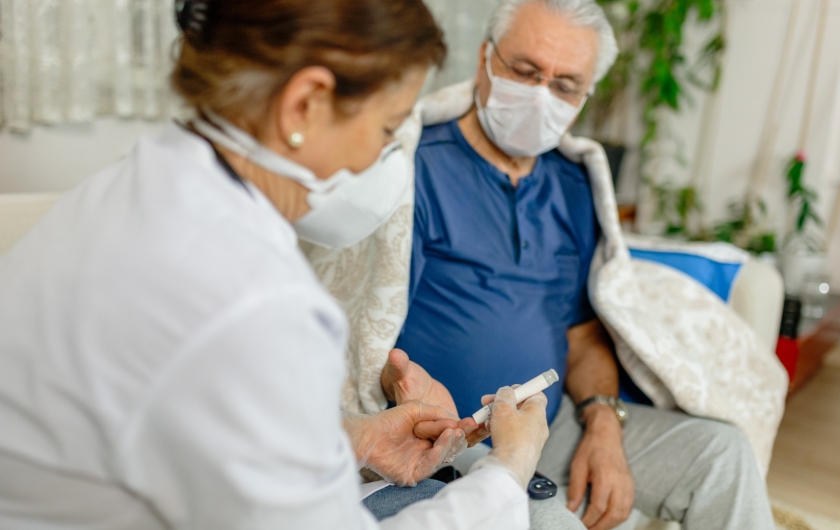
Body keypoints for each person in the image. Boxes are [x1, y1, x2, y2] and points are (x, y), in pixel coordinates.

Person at [0, 1, 549, 528]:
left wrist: (353, 439)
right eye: (387, 131)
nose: (386, 162)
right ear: (304, 103)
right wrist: (507, 472)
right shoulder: (255, 302)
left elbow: (181, 419)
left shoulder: (130, 184)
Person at [391, 0, 778, 529]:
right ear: (485, 59)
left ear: (584, 98)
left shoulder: (574, 184)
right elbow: (371, 325)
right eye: (525, 72)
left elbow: (581, 329)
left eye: (565, 85)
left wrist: (603, 423)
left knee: (722, 454)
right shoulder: (417, 168)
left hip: (553, 425)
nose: (540, 95)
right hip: (448, 436)